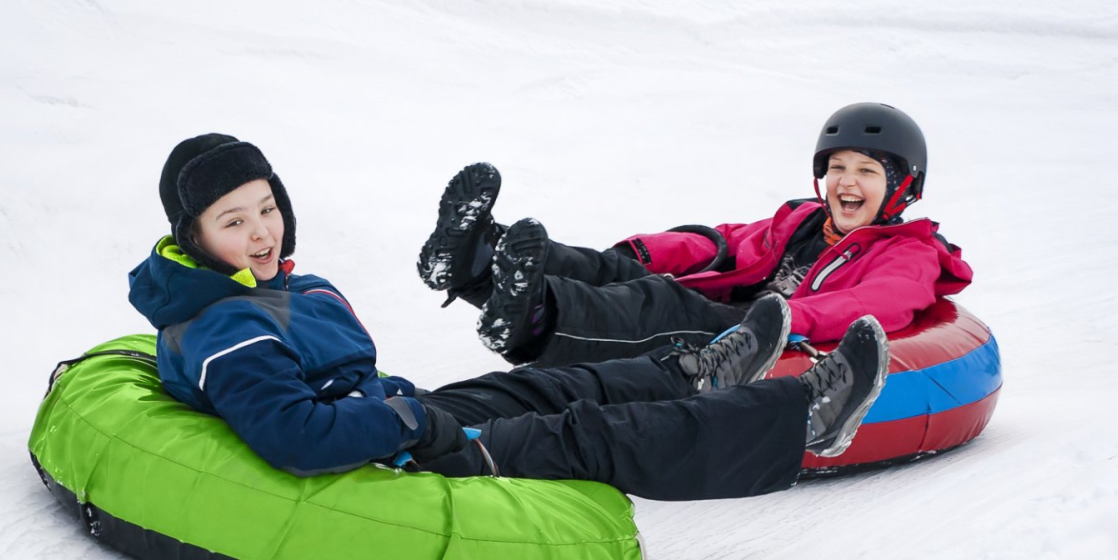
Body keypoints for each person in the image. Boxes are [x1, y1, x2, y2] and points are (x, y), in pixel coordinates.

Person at [128, 134, 892, 502]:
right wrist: (402, 425)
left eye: (267, 209)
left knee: (545, 389)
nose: (261, 233)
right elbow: (295, 436)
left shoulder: (292, 287)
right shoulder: (227, 329)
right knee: (585, 433)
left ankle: (694, 370)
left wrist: (402, 408)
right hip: (381, 458)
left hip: (393, 420)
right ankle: (803, 417)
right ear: (194, 235)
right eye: (234, 221)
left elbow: (345, 385)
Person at [417, 102, 973, 367]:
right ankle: (475, 259)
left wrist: (782, 316)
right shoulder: (804, 220)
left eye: (867, 171)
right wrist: (645, 251)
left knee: (655, 301)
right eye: (838, 168)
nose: (846, 182)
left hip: (762, 339)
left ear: (902, 187)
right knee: (621, 273)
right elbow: (726, 245)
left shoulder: (911, 253)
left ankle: (533, 313)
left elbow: (872, 303)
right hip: (734, 311)